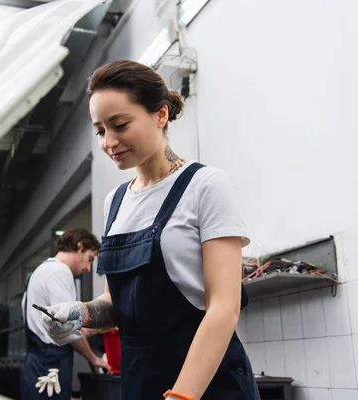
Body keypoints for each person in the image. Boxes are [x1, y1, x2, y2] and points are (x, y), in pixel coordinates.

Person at [40, 60, 260, 400]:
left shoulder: (206, 186)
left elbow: (224, 307)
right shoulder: (115, 201)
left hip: (207, 383)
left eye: (120, 124)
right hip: (140, 379)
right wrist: (82, 312)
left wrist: (182, 395)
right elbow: (116, 302)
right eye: (100, 131)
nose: (109, 142)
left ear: (160, 115)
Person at [20, 228, 111, 399]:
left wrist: (101, 328)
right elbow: (68, 327)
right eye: (90, 259)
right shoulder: (59, 272)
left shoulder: (44, 271)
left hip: (40, 364)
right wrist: (94, 359)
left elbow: (65, 326)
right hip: (49, 366)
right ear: (80, 246)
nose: (88, 268)